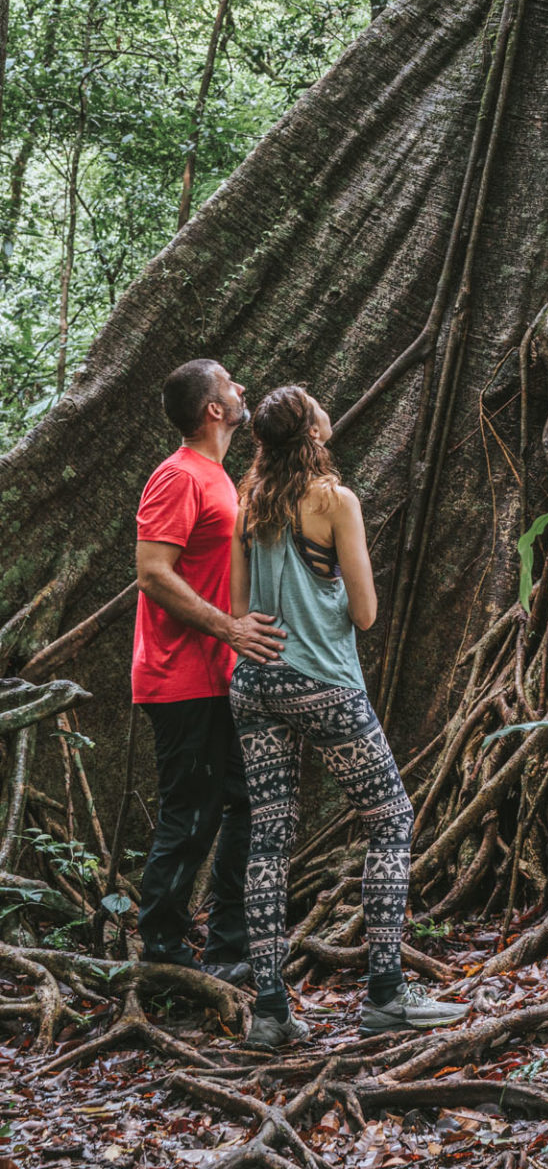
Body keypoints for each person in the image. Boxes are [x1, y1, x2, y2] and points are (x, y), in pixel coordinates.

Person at [229, 384, 467, 1051]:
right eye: (314, 403)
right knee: (390, 819)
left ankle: (271, 1011)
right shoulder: (334, 501)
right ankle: (387, 996)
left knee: (270, 838)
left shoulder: (247, 501)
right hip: (322, 683)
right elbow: (365, 614)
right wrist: (325, 593)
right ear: (310, 429)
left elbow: (240, 608)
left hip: (254, 685)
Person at [133, 359, 285, 980]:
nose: (242, 386)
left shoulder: (219, 476)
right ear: (213, 410)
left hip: (224, 676)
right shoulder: (176, 477)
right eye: (230, 383)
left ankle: (229, 948)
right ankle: (163, 957)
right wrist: (228, 628)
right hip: (179, 678)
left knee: (246, 805)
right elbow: (152, 573)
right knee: (190, 816)